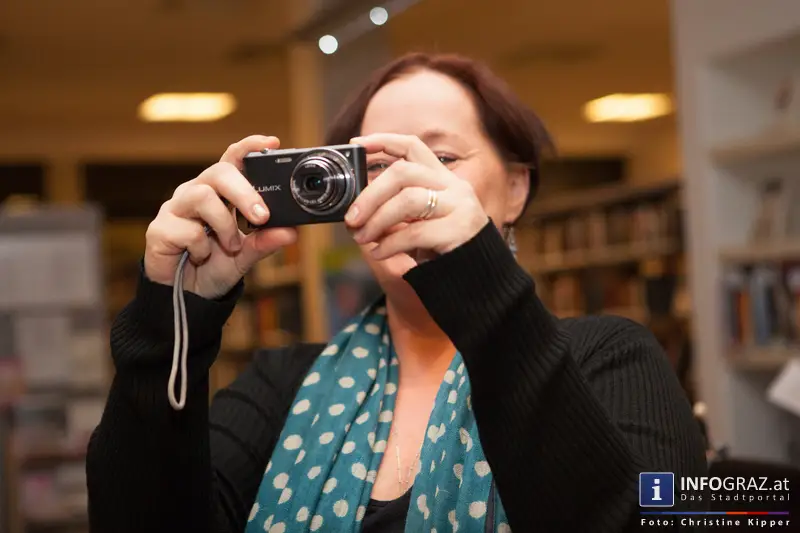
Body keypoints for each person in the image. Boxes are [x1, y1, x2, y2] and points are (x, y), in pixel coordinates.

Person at [86, 52, 707, 533]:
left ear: (516, 189)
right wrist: (170, 318)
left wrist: (481, 281)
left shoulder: (611, 359)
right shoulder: (282, 386)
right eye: (375, 168)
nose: (405, 186)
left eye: (442, 158)